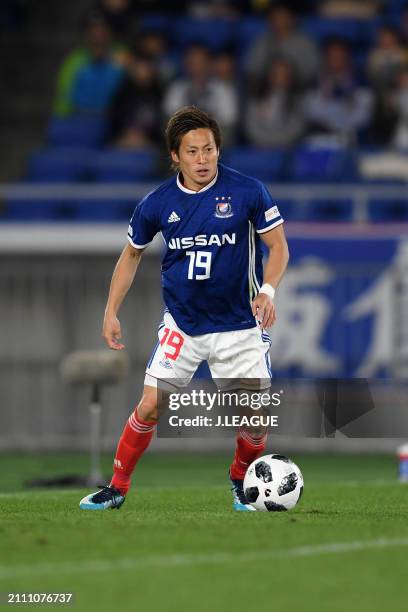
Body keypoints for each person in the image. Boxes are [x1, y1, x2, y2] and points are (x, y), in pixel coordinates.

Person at [79, 106, 289, 512]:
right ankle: (117, 487)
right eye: (192, 152)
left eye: (208, 149)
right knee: (151, 404)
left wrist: (268, 290)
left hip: (240, 327)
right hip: (184, 326)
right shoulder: (157, 203)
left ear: (218, 150)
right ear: (174, 156)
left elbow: (278, 246)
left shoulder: (248, 191)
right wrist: (110, 311)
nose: (202, 159)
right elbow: (131, 255)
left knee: (255, 419)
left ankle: (238, 478)